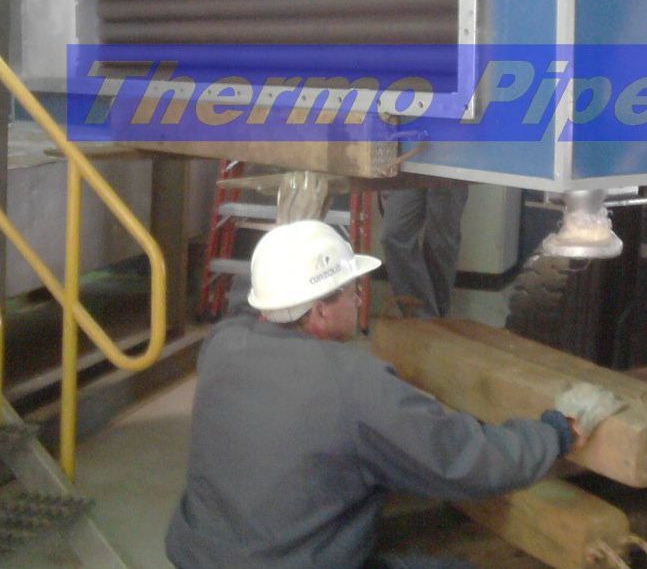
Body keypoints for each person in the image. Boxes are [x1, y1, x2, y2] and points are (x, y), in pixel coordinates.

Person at [166, 219, 583, 569]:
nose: (359, 298)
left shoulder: (222, 344)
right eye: (352, 290)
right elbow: (469, 462)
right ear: (321, 309)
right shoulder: (352, 384)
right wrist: (552, 434)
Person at [380, 183, 469, 318]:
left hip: (451, 172)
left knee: (441, 243)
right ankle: (423, 317)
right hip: (408, 171)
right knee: (394, 234)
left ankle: (434, 319)